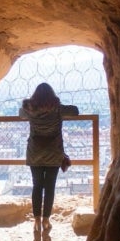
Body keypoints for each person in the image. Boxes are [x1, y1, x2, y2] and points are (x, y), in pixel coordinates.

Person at [19, 82, 78, 232]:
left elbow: (20, 113)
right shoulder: (57, 108)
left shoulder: (29, 108)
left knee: (37, 186)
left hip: (35, 152)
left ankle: (36, 220)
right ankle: (46, 220)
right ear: (52, 95)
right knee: (50, 187)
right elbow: (75, 111)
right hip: (54, 152)